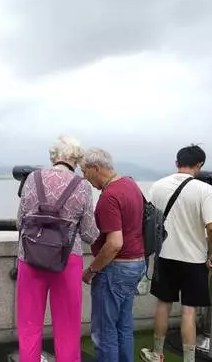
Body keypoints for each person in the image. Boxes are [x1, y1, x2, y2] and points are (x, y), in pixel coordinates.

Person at [16, 135, 99, 362]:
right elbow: (90, 233)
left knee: (29, 323)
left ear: (54, 156)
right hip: (66, 260)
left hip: (30, 256)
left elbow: (19, 221)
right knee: (68, 325)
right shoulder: (82, 186)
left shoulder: (33, 178)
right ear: (76, 158)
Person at [140, 145, 212, 362]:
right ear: (200, 165)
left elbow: (149, 220)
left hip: (165, 256)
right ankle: (188, 359)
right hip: (194, 259)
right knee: (189, 310)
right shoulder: (204, 190)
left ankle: (157, 353)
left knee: (163, 305)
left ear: (177, 162)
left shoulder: (157, 186)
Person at [80, 148, 145, 362]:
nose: (84, 177)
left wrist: (91, 269)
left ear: (95, 168)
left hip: (116, 268)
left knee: (104, 331)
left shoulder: (109, 196)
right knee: (123, 326)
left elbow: (115, 243)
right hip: (136, 264)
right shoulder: (131, 184)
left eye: (84, 171)